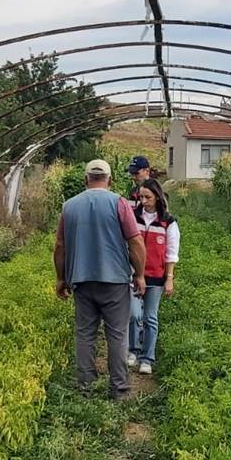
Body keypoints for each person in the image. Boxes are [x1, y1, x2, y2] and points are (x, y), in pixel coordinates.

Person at [54, 159, 147, 400]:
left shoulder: (69, 206)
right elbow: (135, 241)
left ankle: (86, 386)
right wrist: (139, 274)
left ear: (86, 179)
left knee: (85, 333)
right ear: (110, 179)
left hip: (82, 280)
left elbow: (60, 245)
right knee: (116, 334)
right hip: (114, 279)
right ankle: (119, 388)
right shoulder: (119, 203)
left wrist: (61, 278)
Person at [127, 179, 179, 375]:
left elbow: (171, 252)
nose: (144, 200)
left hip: (156, 276)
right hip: (133, 274)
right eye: (141, 197)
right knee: (133, 315)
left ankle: (147, 358)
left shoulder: (168, 222)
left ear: (157, 196)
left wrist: (169, 277)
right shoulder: (133, 217)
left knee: (150, 317)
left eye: (147, 197)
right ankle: (133, 350)